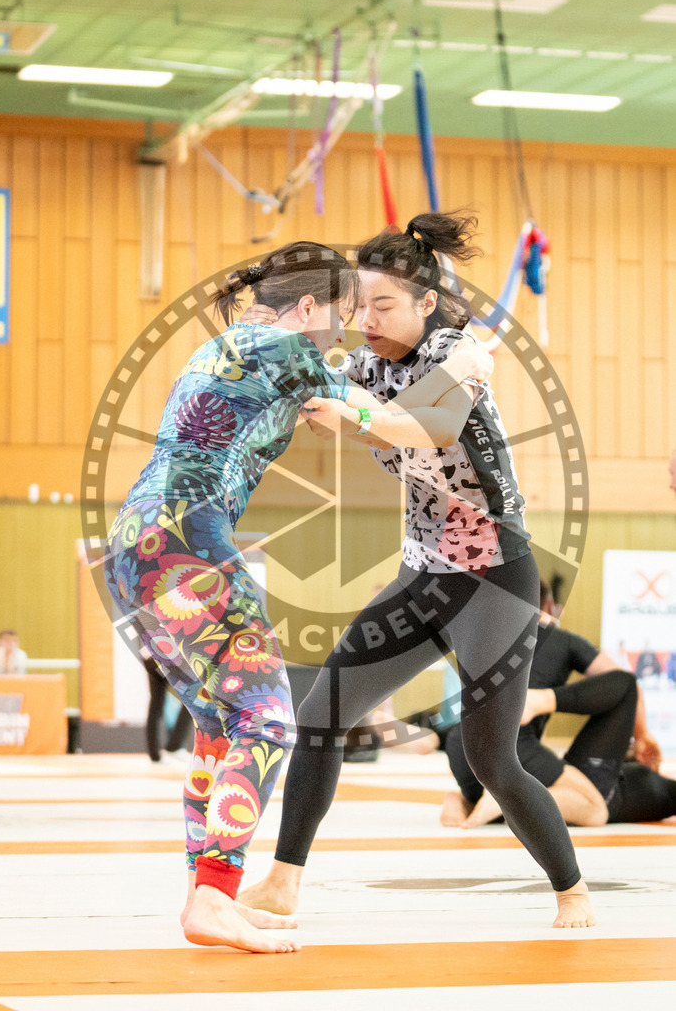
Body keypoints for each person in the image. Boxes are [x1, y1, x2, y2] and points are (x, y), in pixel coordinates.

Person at [103, 238, 489, 952]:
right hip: (187, 536)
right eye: (339, 317)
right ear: (306, 307)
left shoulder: (227, 346)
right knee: (270, 717)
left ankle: (206, 896)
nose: (344, 332)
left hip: (137, 538)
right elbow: (420, 426)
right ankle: (214, 892)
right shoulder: (292, 354)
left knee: (223, 725)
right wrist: (462, 366)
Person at [239, 213, 596, 929]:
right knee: (321, 717)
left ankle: (570, 891)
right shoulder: (363, 364)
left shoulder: (456, 351)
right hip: (424, 576)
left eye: (382, 305)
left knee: (491, 758)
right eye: (358, 306)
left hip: (496, 577)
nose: (365, 320)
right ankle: (281, 881)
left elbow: (425, 426)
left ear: (425, 303)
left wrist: (349, 415)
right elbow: (291, 374)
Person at [441, 578, 665, 828]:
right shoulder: (559, 639)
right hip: (513, 749)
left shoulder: (481, 637)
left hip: (461, 746)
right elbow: (625, 684)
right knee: (596, 810)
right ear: (548, 606)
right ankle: (506, 804)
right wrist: (642, 734)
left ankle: (465, 800)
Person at [443, 672, 676, 827]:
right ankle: (478, 802)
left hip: (601, 790)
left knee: (625, 686)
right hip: (599, 783)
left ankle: (497, 803)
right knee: (625, 684)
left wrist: (639, 739)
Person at [143, 656, 194, 764]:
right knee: (192, 697)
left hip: (151, 658)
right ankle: (175, 746)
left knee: (155, 704)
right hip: (170, 658)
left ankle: (154, 754)